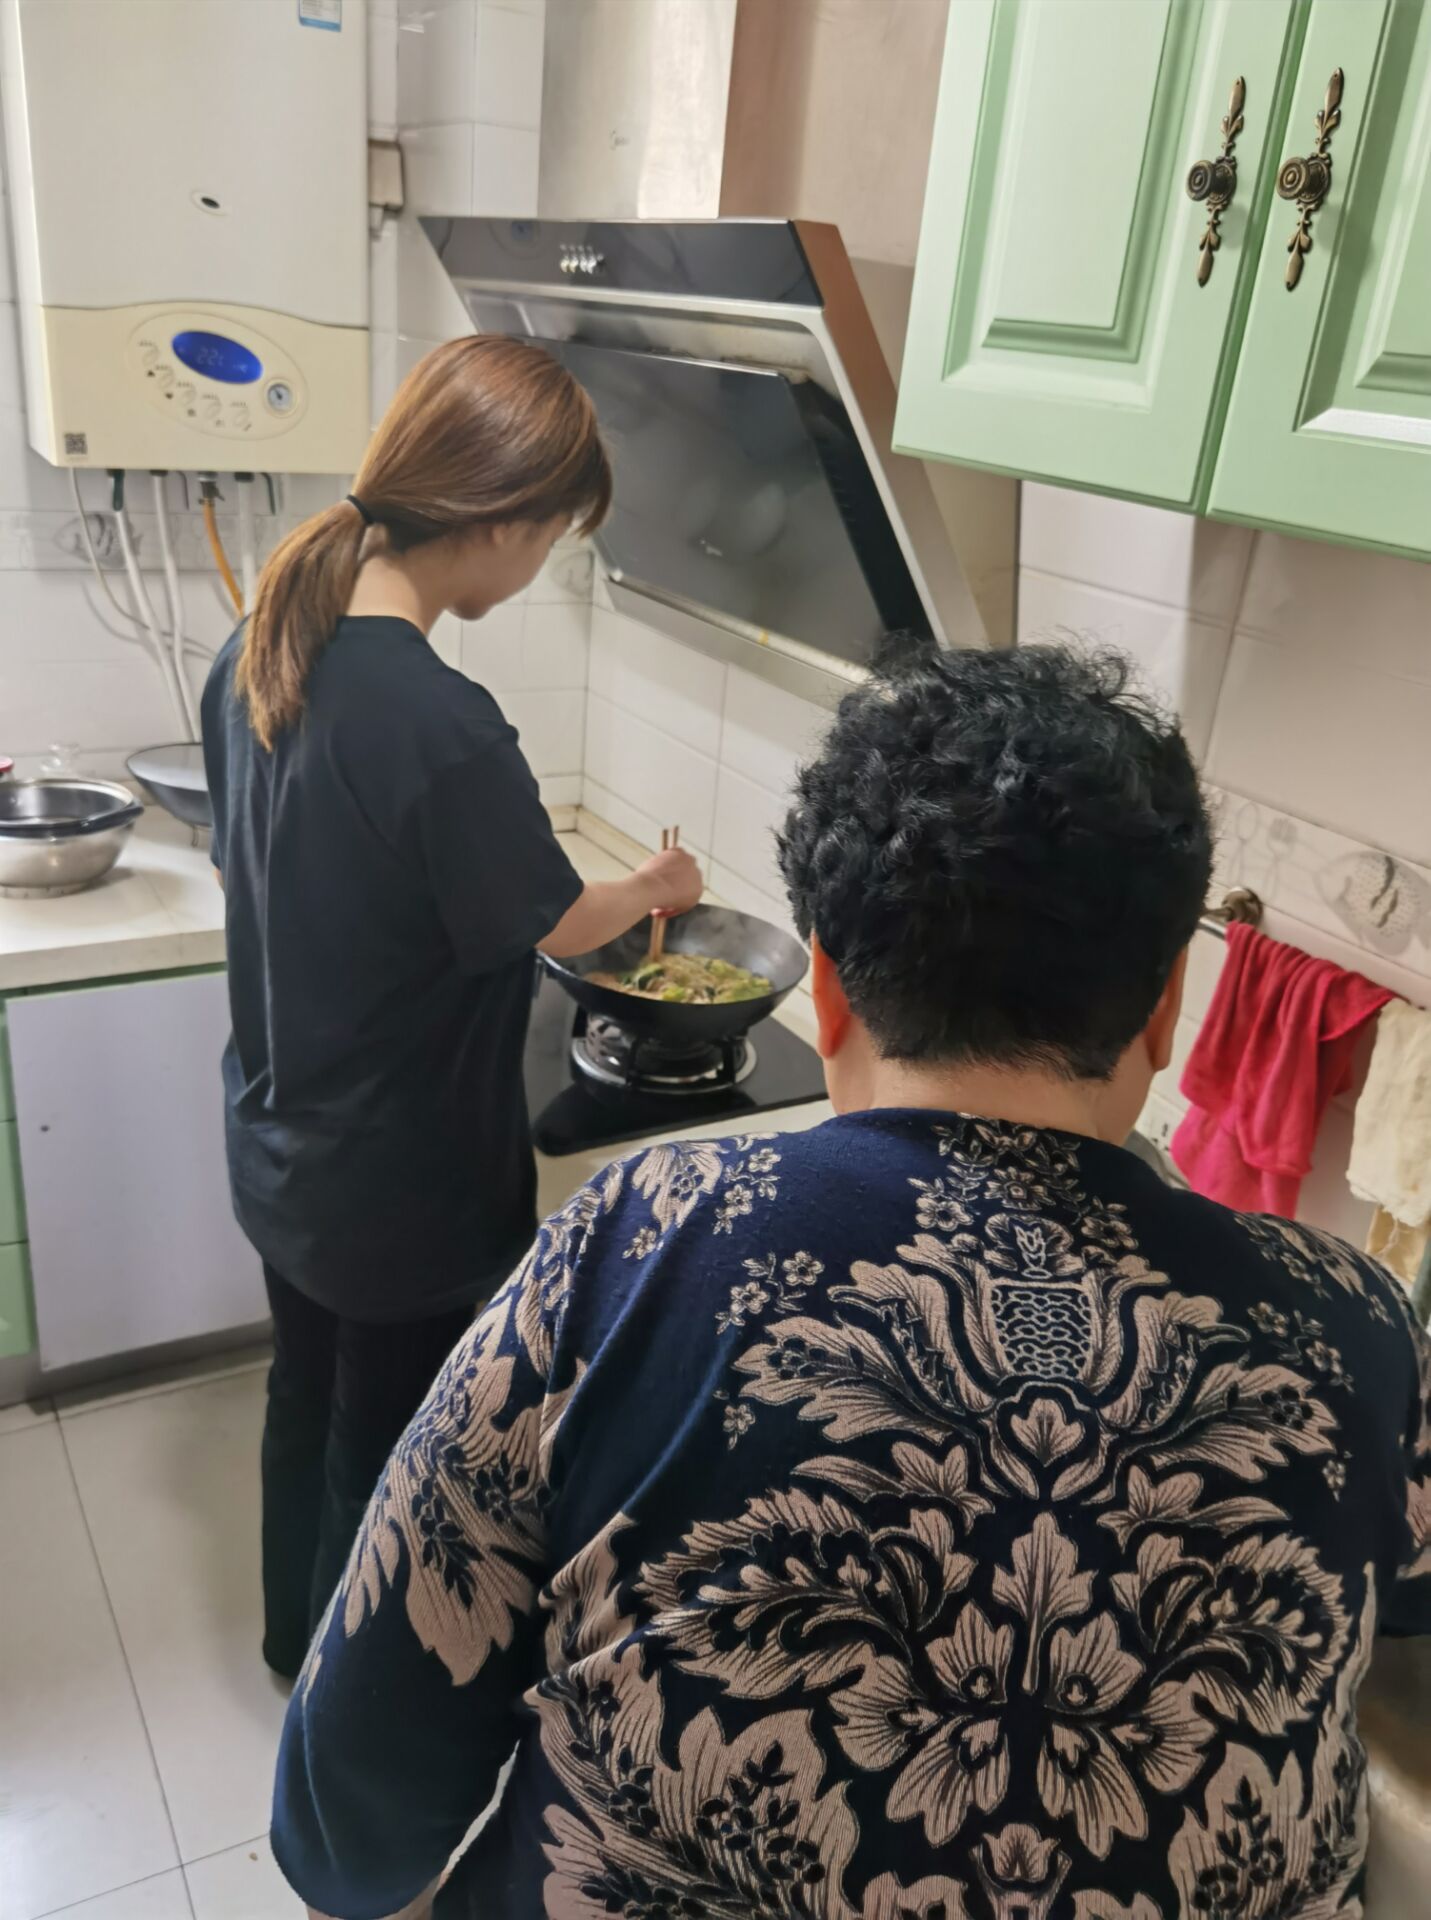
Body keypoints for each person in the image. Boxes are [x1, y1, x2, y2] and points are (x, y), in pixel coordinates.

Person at [270, 643, 1431, 1919]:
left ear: (822, 990)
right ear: (1167, 1011)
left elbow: (344, 1830)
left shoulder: (633, 1247)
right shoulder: (1358, 1323)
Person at [202, 335, 702, 1681]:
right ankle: (354, 1715)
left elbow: (283, 876)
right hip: (399, 1187)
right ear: (501, 519)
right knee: (391, 1451)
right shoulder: (442, 722)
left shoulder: (257, 649)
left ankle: (293, 1649)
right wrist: (654, 887)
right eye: (553, 537)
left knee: (305, 1396)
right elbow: (552, 919)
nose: (541, 566)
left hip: (282, 1144)